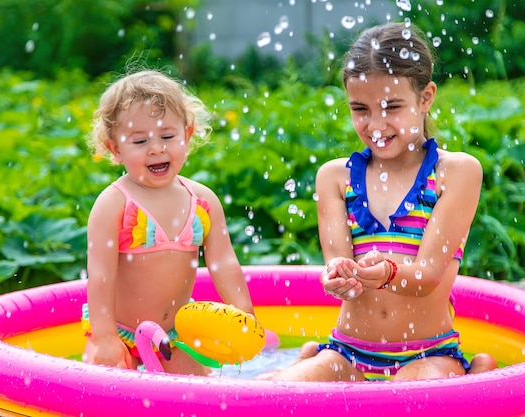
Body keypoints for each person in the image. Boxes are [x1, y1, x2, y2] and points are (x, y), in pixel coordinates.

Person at [260, 22, 497, 382]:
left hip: (427, 352)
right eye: (361, 109)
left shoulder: (456, 172)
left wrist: (385, 271)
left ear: (426, 97)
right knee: (271, 392)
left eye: (392, 106)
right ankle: (310, 359)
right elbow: (336, 264)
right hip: (348, 353)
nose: (375, 124)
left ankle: (472, 372)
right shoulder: (335, 178)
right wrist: (339, 276)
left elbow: (428, 276)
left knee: (408, 396)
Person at [81, 69, 255, 376]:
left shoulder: (201, 200)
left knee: (208, 395)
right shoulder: (113, 204)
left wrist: (244, 314)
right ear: (115, 148)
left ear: (186, 135)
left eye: (167, 136)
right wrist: (104, 338)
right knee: (110, 400)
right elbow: (100, 275)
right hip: (120, 336)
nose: (156, 148)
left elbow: (224, 263)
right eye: (140, 141)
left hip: (174, 338)